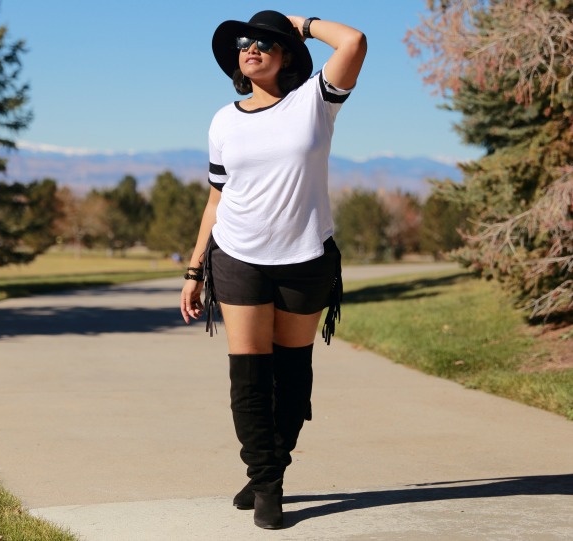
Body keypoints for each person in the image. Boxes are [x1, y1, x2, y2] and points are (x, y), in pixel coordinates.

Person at [180, 10, 367, 530]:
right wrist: (195, 270)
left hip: (305, 259)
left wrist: (301, 23)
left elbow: (353, 41)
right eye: (244, 42)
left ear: (287, 55)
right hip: (237, 256)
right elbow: (216, 201)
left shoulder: (314, 100)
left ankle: (269, 465)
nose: (252, 47)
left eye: (266, 42)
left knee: (292, 379)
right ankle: (268, 485)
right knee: (250, 376)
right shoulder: (224, 121)